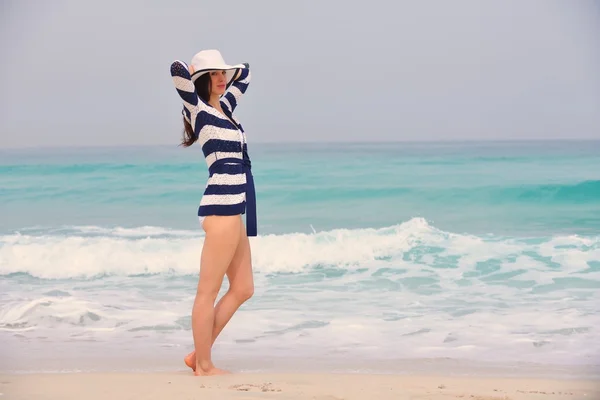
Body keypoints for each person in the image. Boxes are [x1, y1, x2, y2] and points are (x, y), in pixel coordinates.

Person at [169, 49, 257, 376]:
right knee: (207, 291)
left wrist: (229, 70)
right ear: (202, 78)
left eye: (224, 73)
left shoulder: (226, 108)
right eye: (215, 74)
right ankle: (204, 366)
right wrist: (192, 70)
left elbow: (245, 73)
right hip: (219, 209)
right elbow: (176, 70)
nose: (222, 78)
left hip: (236, 208)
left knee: (244, 287)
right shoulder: (200, 110)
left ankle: (197, 354)